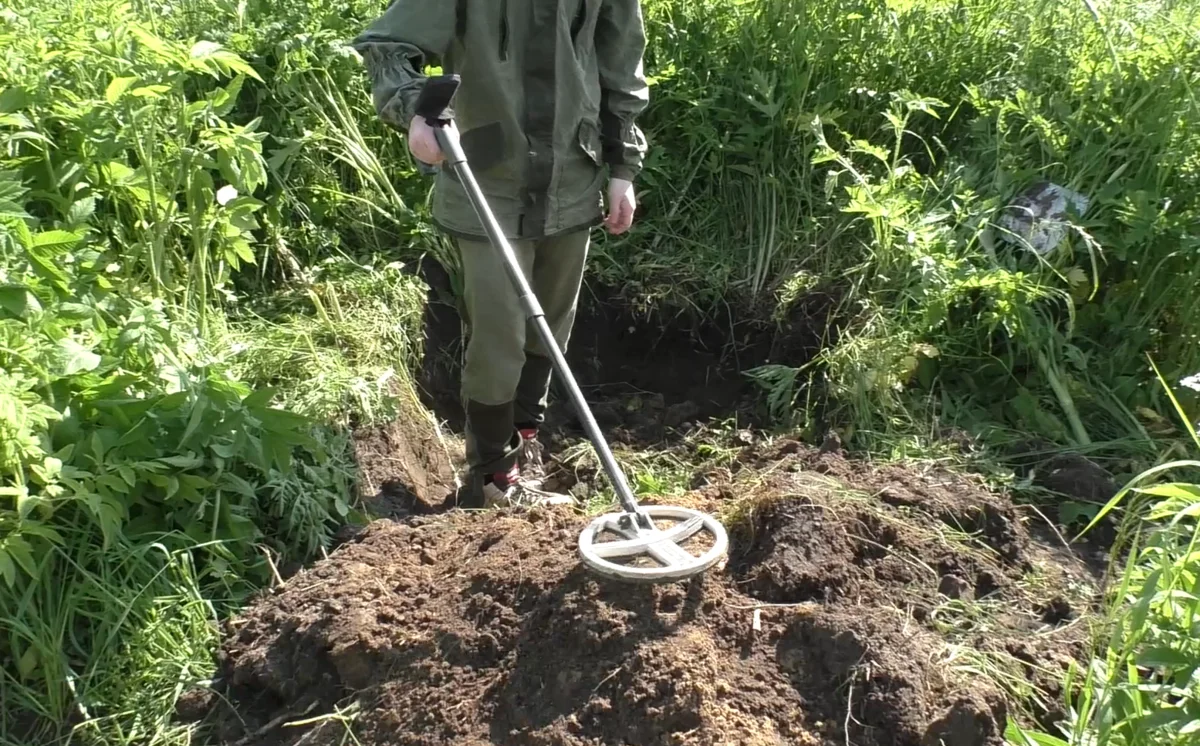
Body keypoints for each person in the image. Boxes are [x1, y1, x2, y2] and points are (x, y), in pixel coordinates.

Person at [353, 1, 649, 508]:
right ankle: (491, 476)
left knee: (550, 325)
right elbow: (387, 45)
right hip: (488, 178)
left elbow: (621, 64)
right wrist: (415, 112)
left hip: (572, 176)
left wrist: (623, 168)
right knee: (500, 335)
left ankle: (523, 444)